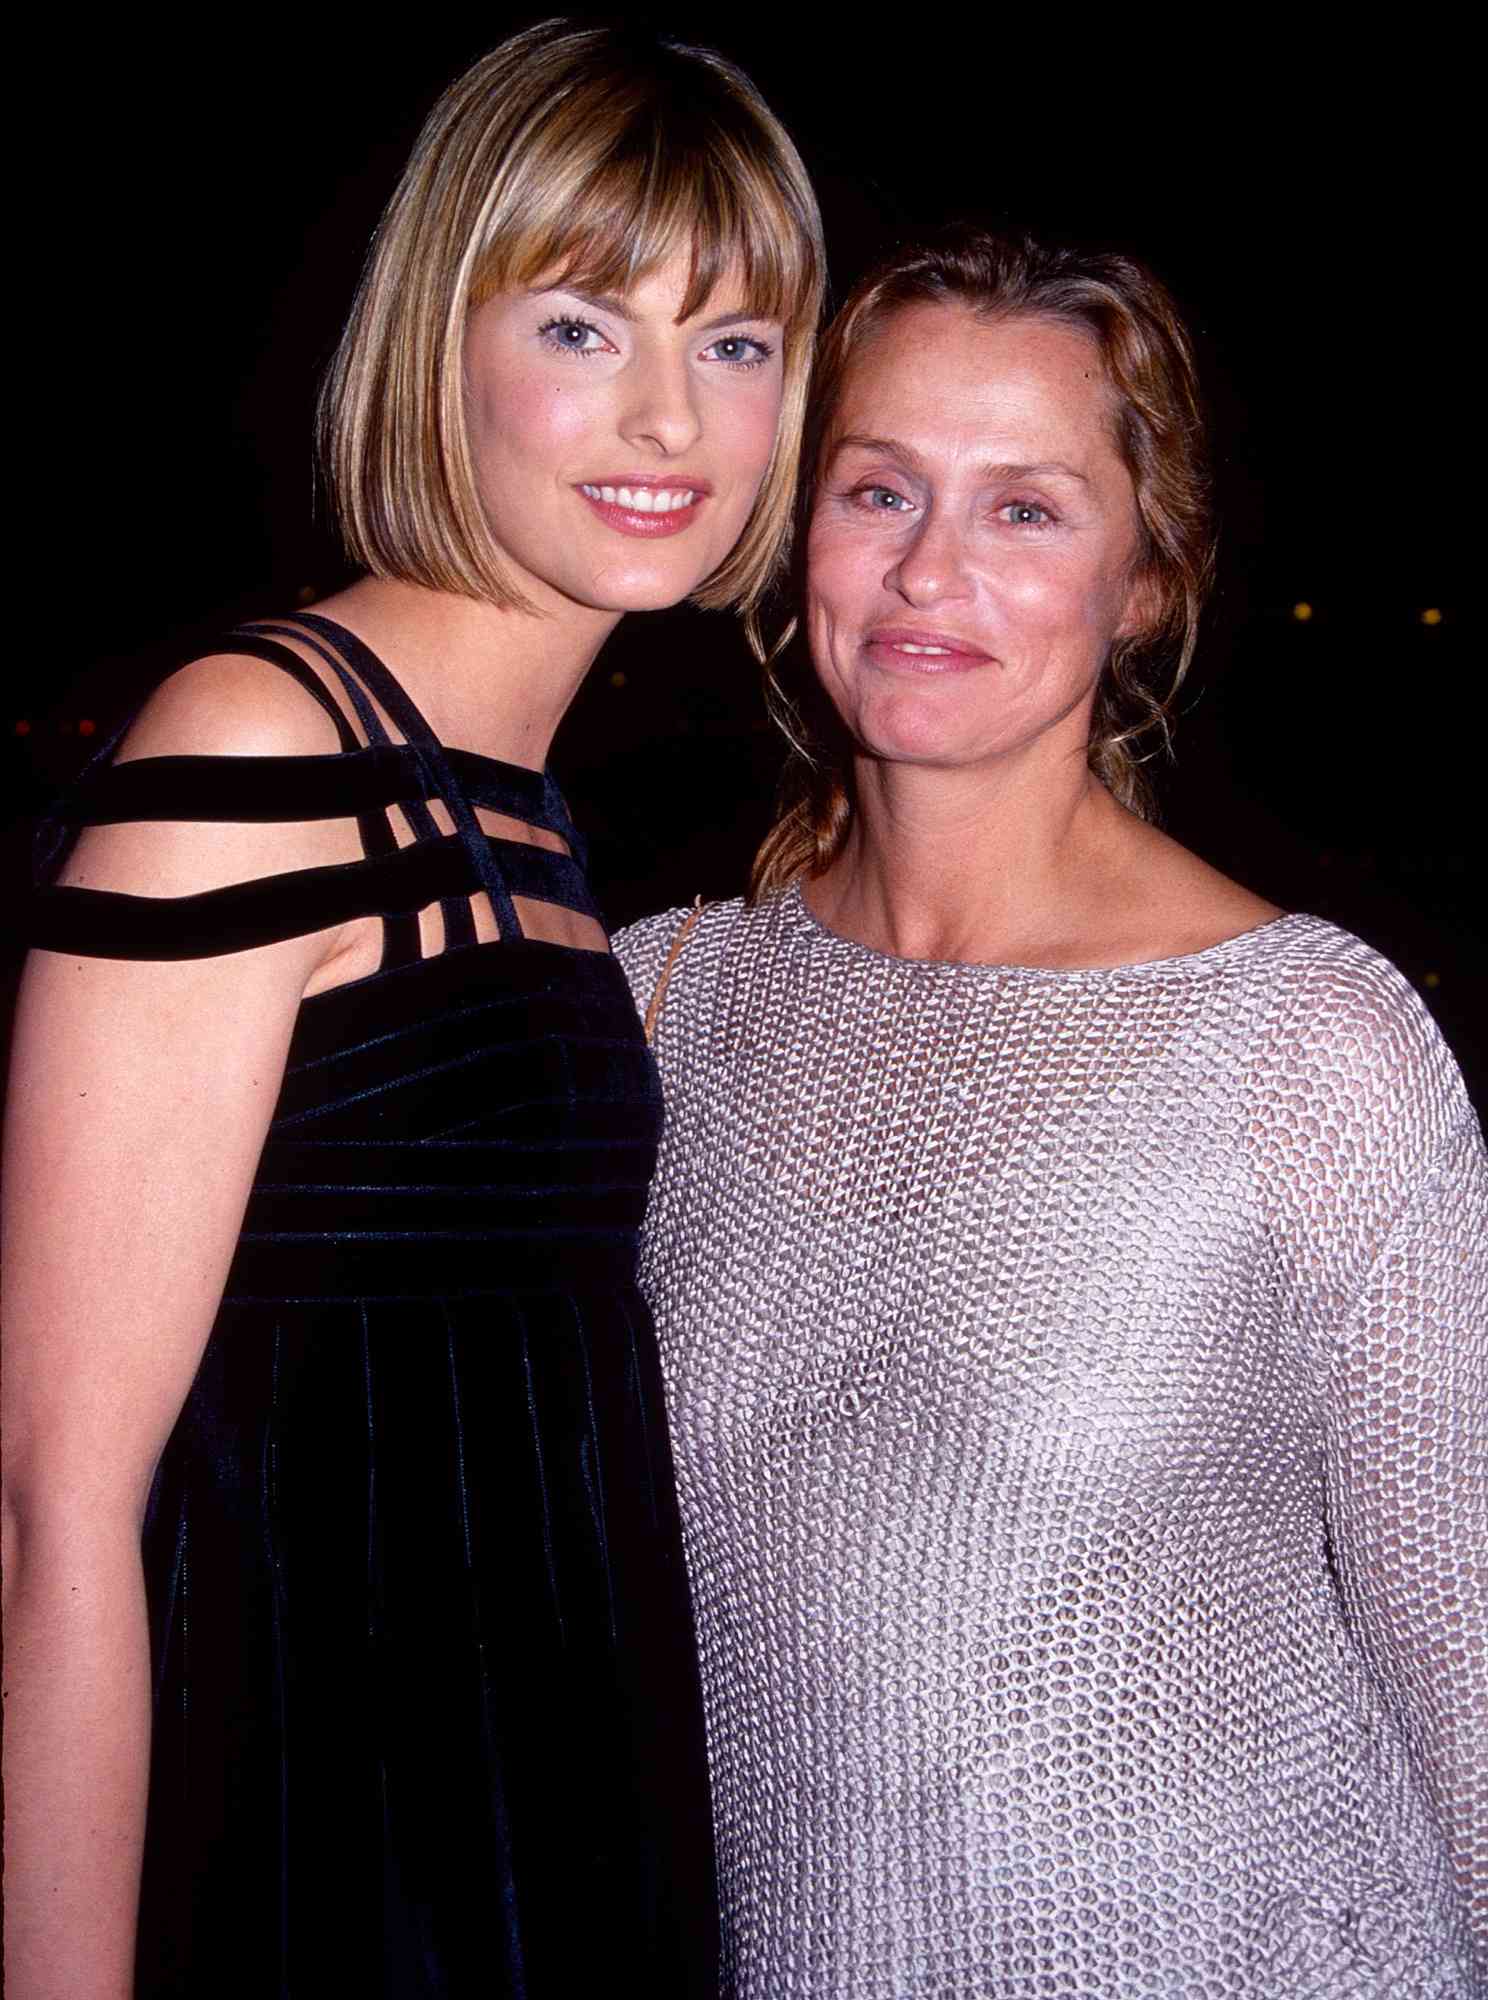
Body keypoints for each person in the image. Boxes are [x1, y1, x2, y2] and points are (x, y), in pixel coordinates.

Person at [1, 21, 823, 1997]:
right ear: (437, 346)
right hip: (322, 1835)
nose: (665, 420)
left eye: (733, 344)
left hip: (539, 1801)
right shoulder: (257, 748)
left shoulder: (528, 811)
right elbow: (55, 1516)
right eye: (579, 327)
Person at [616, 227, 1487, 1996]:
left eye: (1028, 511)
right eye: (880, 492)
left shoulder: (1306, 1039)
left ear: (1146, 581)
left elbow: (1468, 1670)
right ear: (797, 541)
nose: (932, 571)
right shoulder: (654, 1006)